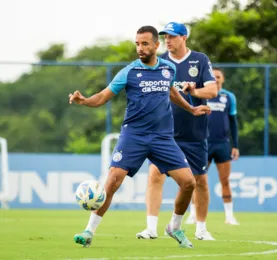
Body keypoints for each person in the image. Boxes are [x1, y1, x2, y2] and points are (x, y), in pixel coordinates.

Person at [69, 25, 212, 249]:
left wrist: (192, 109)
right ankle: (89, 231)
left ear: (156, 45)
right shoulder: (129, 72)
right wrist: (85, 101)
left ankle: (174, 227)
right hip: (133, 136)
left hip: (163, 138)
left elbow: (172, 93)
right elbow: (103, 96)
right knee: (113, 181)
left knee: (188, 183)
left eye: (145, 43)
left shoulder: (167, 70)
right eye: (137, 44)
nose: (140, 48)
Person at [136, 22, 218, 241]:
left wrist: (194, 90)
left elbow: (213, 90)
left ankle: (201, 228)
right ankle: (151, 228)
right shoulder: (160, 63)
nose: (167, 41)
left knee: (200, 181)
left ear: (184, 37)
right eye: (165, 37)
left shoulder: (199, 60)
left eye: (171, 36)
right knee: (155, 176)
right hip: (165, 133)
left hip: (194, 133)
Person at [206, 68, 240, 225]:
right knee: (197, 180)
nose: (216, 78)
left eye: (218, 76)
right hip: (204, 143)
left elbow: (233, 122)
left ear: (223, 79)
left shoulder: (229, 96)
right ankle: (193, 213)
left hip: (222, 144)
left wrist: (236, 145)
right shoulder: (203, 94)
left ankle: (229, 216)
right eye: (213, 76)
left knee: (225, 181)